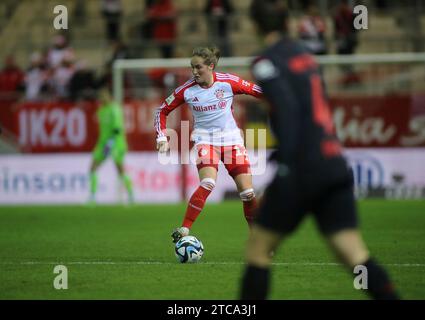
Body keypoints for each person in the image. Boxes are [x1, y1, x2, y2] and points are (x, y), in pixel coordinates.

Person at [240, 0, 400, 300]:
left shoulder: (266, 61)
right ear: (286, 22)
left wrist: (285, 165)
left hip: (303, 168)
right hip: (333, 163)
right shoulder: (306, 55)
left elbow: (287, 111)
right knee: (353, 253)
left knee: (259, 249)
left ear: (255, 26)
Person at [154, 46, 263, 243]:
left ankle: (257, 239)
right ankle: (185, 228)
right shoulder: (186, 90)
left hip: (231, 141)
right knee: (208, 182)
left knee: (248, 194)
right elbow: (162, 110)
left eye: (198, 67)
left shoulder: (229, 82)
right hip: (205, 140)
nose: (194, 72)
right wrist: (161, 137)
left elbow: (257, 91)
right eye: (192, 68)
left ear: (211, 66)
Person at [89, 88, 134, 205]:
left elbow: (117, 129)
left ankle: (131, 195)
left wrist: (111, 143)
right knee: (93, 168)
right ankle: (92, 198)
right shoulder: (101, 111)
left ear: (109, 96)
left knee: (120, 169)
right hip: (102, 143)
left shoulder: (115, 109)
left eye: (104, 96)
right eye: (100, 96)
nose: (101, 98)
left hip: (116, 143)